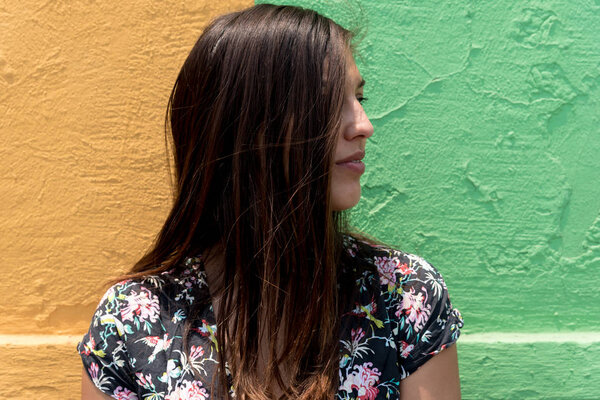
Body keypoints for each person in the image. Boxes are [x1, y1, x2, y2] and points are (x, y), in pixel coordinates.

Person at [79, 4, 463, 399]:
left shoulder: (403, 296)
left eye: (359, 97)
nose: (364, 125)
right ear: (249, 127)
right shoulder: (131, 321)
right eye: (330, 102)